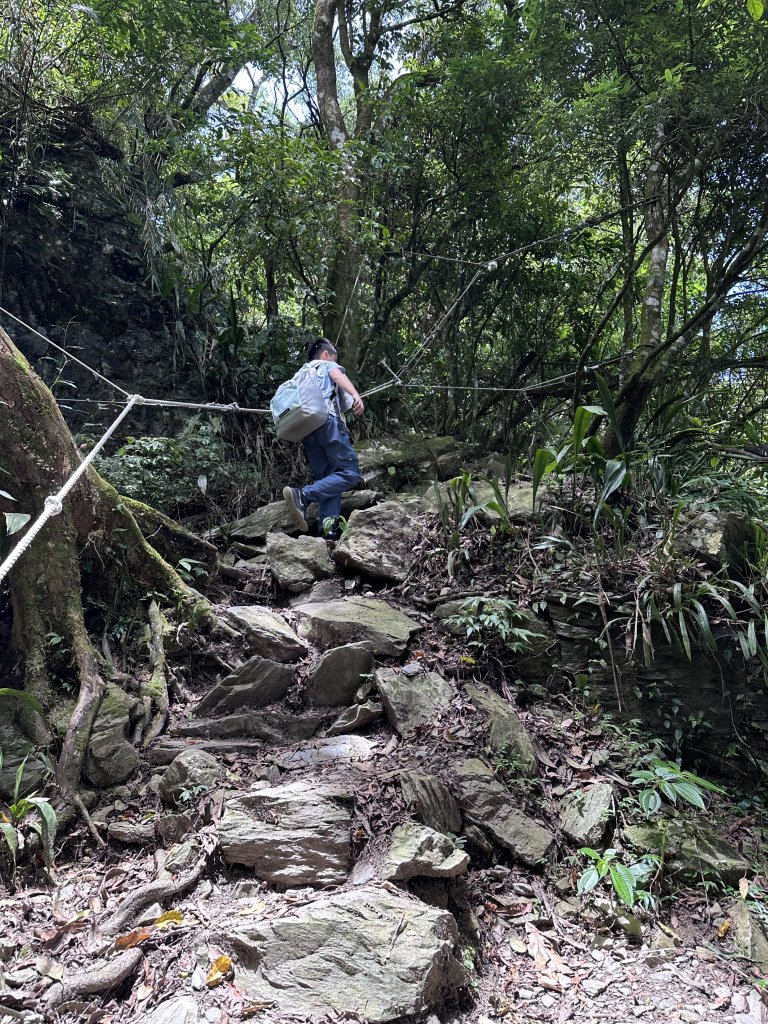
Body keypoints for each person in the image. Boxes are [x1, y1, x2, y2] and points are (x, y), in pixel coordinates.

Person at [283, 338, 364, 537]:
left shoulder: (300, 374)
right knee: (350, 472)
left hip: (307, 430)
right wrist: (355, 395)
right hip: (327, 423)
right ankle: (303, 495)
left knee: (329, 482)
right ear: (326, 354)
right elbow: (337, 376)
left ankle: (328, 536)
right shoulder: (327, 364)